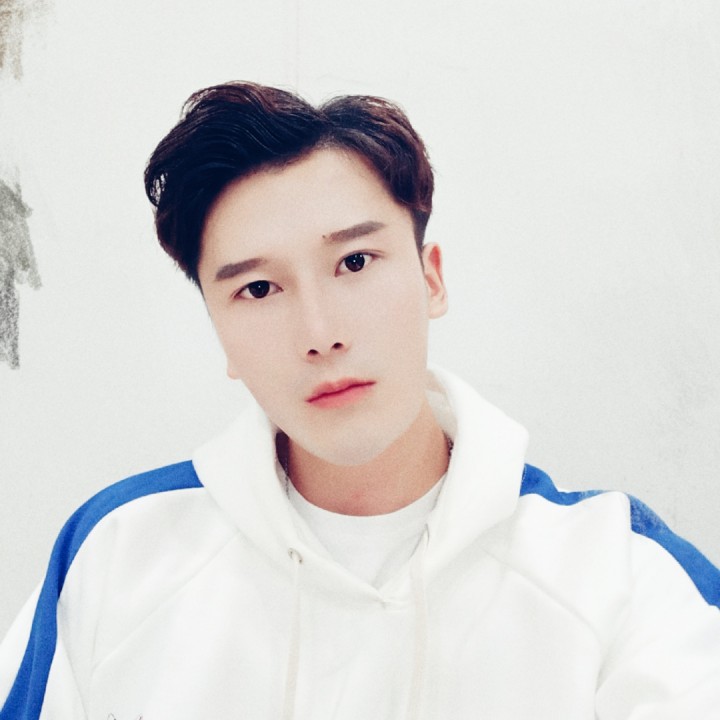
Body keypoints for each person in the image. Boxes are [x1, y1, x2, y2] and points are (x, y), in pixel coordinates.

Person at [1, 81, 719, 720]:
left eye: (354, 261)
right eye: (258, 289)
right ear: (219, 331)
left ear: (431, 279)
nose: (320, 334)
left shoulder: (620, 575)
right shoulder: (116, 558)